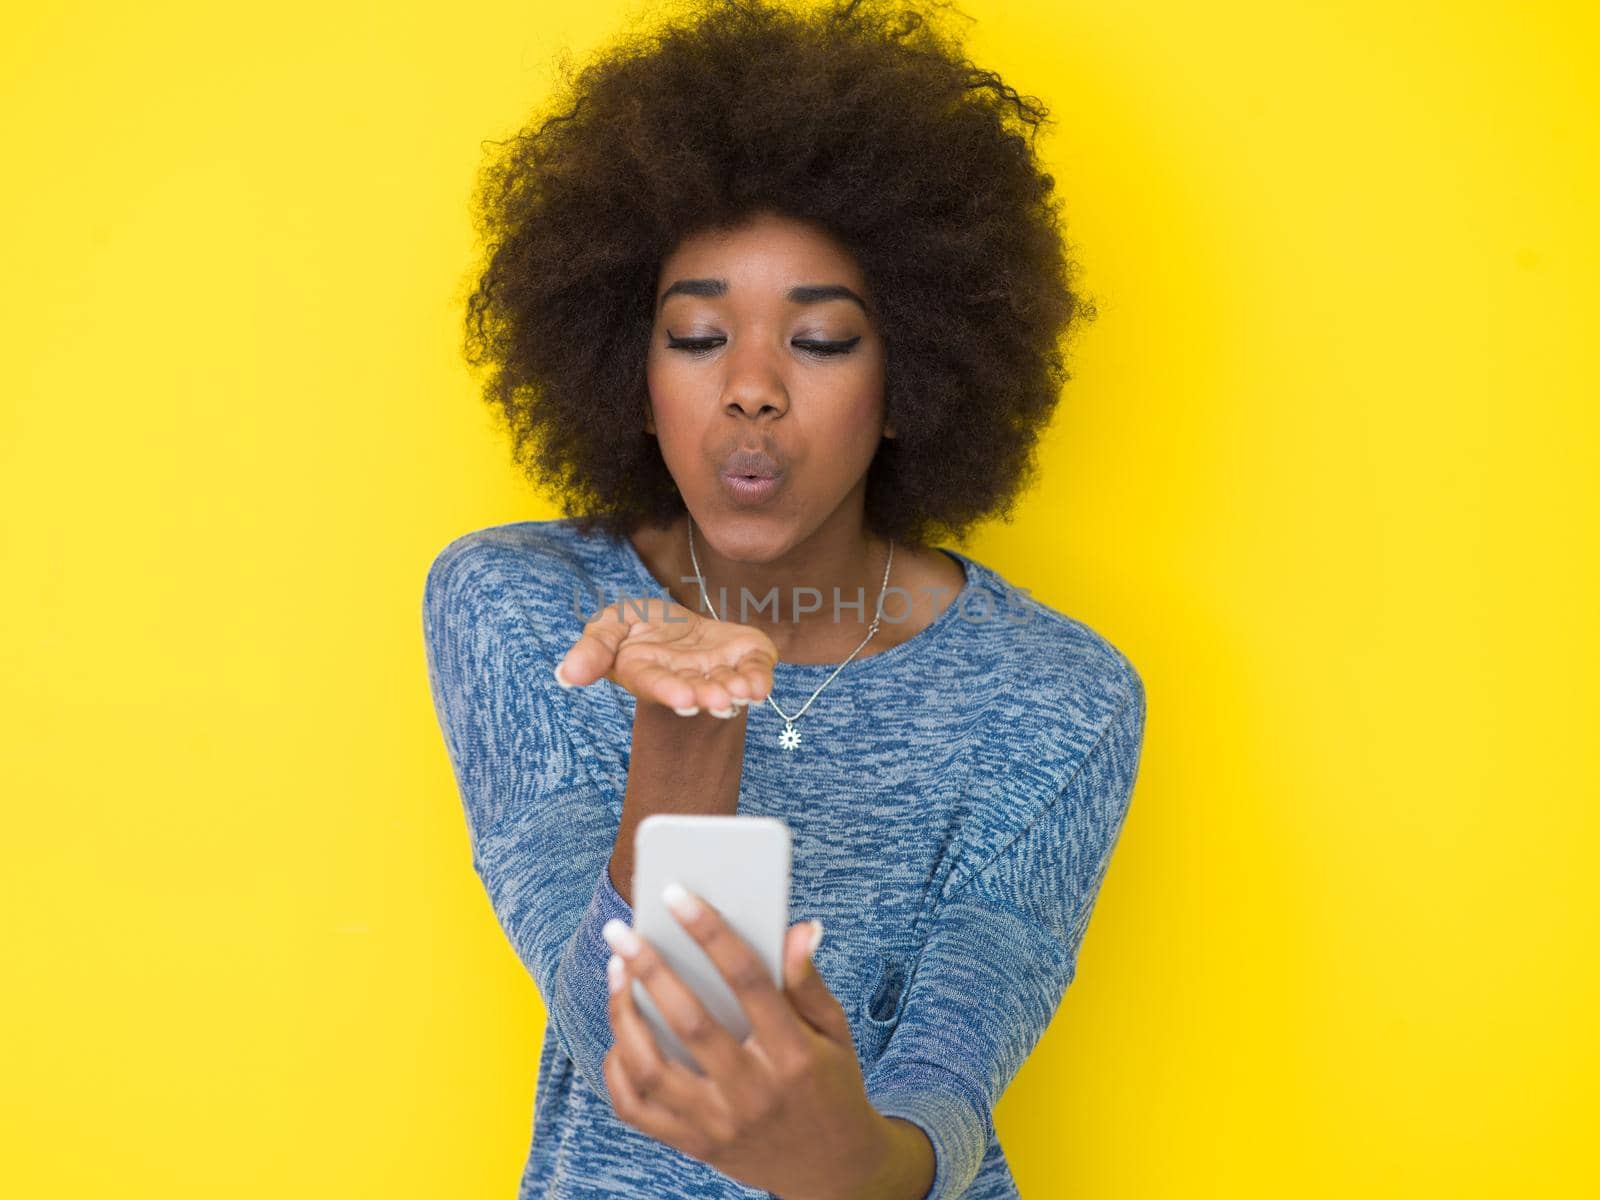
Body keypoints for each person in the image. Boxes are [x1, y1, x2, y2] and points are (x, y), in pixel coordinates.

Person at [422, 1, 1147, 1197]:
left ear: (911, 374)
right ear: (631, 373)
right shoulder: (514, 606)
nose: (752, 387)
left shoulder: (1058, 698)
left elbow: (948, 1085)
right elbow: (627, 1044)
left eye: (819, 342)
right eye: (699, 335)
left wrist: (847, 1164)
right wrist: (687, 722)